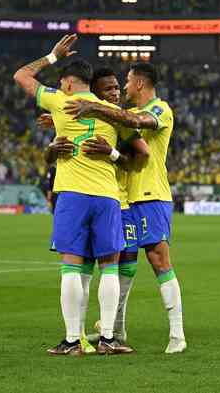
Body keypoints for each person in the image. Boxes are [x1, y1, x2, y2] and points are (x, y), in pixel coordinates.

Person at [13, 34, 131, 355]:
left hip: (72, 195)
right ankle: (107, 338)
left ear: (67, 83)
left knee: (72, 266)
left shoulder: (58, 101)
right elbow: (135, 139)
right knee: (109, 266)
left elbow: (22, 75)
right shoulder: (110, 109)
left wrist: (52, 56)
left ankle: (71, 340)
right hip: (107, 195)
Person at [65, 62, 187, 354]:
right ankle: (116, 329)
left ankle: (177, 334)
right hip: (124, 199)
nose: (124, 88)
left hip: (151, 195)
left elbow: (139, 123)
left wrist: (94, 107)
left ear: (140, 84)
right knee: (124, 265)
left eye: (127, 82)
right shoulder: (122, 116)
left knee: (159, 260)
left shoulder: (160, 110)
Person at [40, 67, 149, 352]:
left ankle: (89, 337)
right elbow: (48, 157)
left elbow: (140, 157)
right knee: (89, 271)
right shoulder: (79, 114)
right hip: (97, 198)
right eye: (109, 89)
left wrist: (111, 152)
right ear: (93, 92)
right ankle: (89, 337)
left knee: (89, 270)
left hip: (104, 200)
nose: (115, 93)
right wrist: (53, 145)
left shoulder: (116, 117)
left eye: (117, 87)